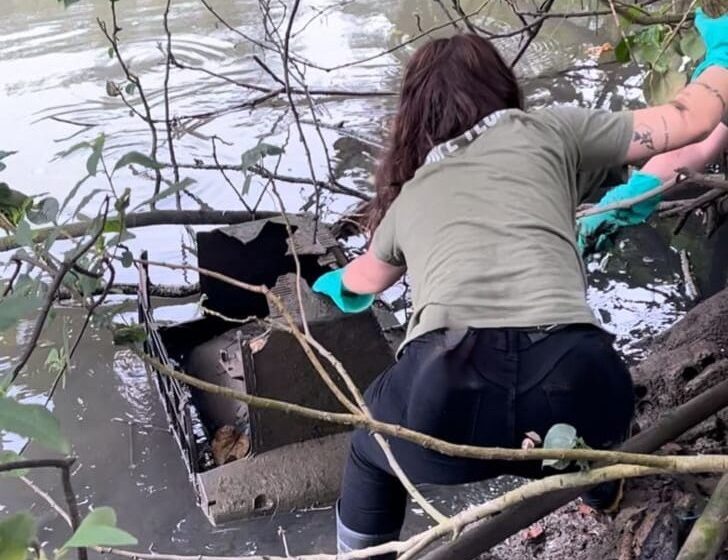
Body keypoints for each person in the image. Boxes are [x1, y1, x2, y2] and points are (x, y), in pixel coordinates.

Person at [311, 10, 728, 558]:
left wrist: (328, 281)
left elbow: (361, 283)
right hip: (579, 376)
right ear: (503, 89)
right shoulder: (549, 130)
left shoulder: (411, 194)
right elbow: (688, 131)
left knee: (370, 448)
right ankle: (601, 486)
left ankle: (367, 556)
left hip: (447, 390)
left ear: (413, 119)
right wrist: (721, 55)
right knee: (589, 395)